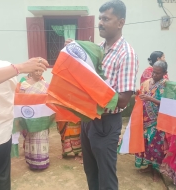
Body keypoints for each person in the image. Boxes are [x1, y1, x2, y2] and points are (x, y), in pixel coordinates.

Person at [66, 1, 138, 189]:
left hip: (106, 123)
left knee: (106, 177)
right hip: (88, 120)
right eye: (100, 18)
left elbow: (122, 100)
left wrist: (92, 94)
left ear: (120, 23)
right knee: (91, 172)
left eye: (106, 19)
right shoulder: (98, 49)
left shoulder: (126, 54)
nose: (101, 23)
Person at [0, 37, 48, 190]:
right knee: (2, 174)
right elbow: (14, 93)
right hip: (1, 134)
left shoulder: (8, 69)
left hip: (2, 131)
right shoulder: (8, 68)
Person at [135, 61, 168, 181]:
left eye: (157, 73)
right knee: (146, 144)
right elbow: (141, 96)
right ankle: (149, 166)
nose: (154, 74)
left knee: (156, 147)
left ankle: (156, 172)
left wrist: (151, 99)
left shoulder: (166, 86)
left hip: (157, 121)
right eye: (153, 71)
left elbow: (169, 105)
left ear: (165, 73)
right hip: (144, 120)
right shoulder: (147, 83)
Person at [19, 70, 50, 170]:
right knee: (31, 140)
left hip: (42, 118)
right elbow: (20, 101)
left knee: (42, 139)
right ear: (31, 72)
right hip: (29, 118)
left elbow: (49, 101)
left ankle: (42, 161)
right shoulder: (24, 84)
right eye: (36, 70)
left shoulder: (46, 85)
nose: (38, 72)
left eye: (40, 70)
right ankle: (32, 161)